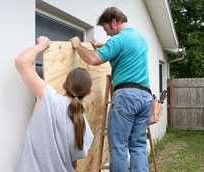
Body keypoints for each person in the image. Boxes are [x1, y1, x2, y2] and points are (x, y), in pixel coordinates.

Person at [70, 7, 153, 172]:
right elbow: (122, 50)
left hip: (126, 98)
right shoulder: (139, 39)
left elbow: (93, 59)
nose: (108, 35)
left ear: (114, 22)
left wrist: (78, 46)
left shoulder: (118, 41)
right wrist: (103, 46)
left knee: (119, 146)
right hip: (145, 98)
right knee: (138, 146)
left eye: (107, 29)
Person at [15, 36, 94, 172]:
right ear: (88, 92)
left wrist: (41, 45)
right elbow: (74, 163)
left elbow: (21, 61)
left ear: (65, 84)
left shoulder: (49, 98)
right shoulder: (82, 123)